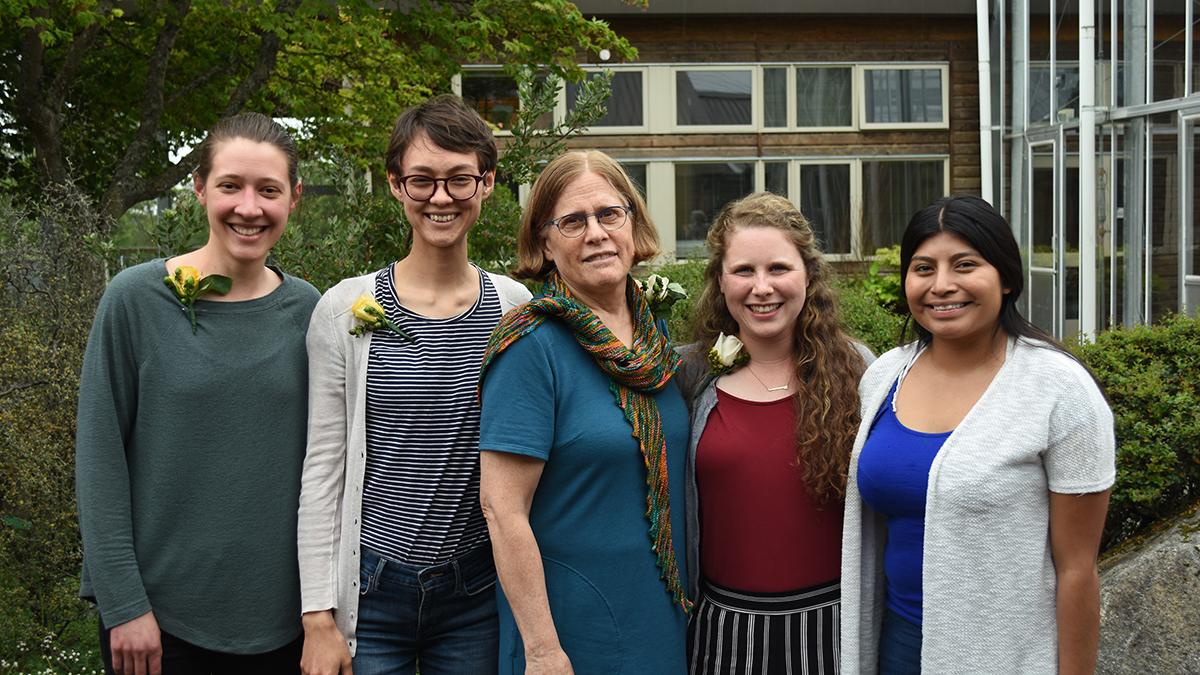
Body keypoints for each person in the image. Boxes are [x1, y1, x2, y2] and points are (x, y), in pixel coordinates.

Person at [75, 112, 319, 674]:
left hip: (285, 626)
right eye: (231, 185)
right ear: (200, 188)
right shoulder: (135, 300)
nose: (249, 207)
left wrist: (322, 611)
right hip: (159, 627)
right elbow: (100, 460)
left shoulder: (311, 311)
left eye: (269, 190)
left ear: (294, 197)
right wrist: (123, 606)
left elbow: (330, 465)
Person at [297, 94, 531, 675]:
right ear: (396, 185)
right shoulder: (345, 309)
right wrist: (317, 617)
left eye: (460, 179)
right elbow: (324, 469)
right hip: (372, 588)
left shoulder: (514, 308)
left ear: (488, 183)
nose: (441, 198)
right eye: (422, 180)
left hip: (475, 588)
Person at [840, 195, 1115, 674]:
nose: (942, 285)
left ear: (1006, 278)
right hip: (896, 644)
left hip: (1001, 655)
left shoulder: (1059, 389)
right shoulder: (885, 375)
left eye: (965, 265)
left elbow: (1077, 570)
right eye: (923, 268)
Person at [478, 150, 691, 674]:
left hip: (661, 613)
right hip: (570, 633)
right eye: (572, 221)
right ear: (545, 243)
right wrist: (544, 651)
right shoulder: (532, 348)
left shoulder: (655, 341)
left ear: (632, 224)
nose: (595, 233)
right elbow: (502, 511)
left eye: (608, 215)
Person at [676, 192, 869, 675]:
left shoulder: (861, 371)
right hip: (722, 631)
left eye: (779, 268)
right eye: (744, 271)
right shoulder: (686, 375)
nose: (762, 287)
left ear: (808, 275)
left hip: (832, 630)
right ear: (720, 280)